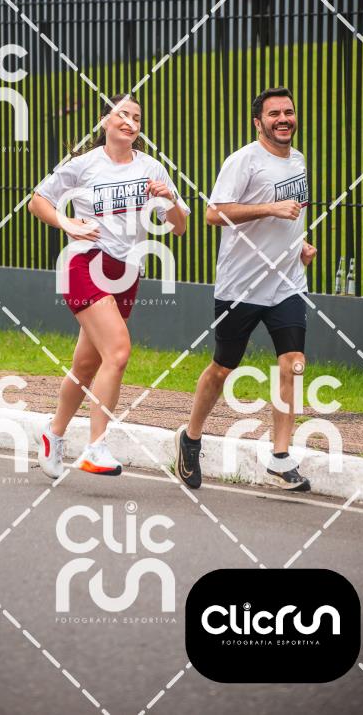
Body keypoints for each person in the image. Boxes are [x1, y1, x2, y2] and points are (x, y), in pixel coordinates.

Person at [28, 94, 190, 479]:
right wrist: (67, 223)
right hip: (86, 262)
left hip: (126, 274)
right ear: (105, 121)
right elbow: (37, 202)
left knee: (86, 365)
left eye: (136, 117)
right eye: (122, 114)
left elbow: (180, 227)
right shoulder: (84, 165)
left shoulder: (151, 168)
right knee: (118, 351)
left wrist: (169, 199)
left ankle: (53, 434)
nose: (130, 122)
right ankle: (96, 446)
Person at [175, 87, 317, 492]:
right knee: (223, 367)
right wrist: (270, 208)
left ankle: (280, 456)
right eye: (274, 114)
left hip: (287, 283)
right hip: (242, 286)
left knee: (293, 362)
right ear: (258, 122)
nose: (283, 119)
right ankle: (190, 438)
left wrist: (300, 244)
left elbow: (292, 215)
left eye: (289, 111)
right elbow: (213, 213)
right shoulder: (243, 161)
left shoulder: (298, 160)